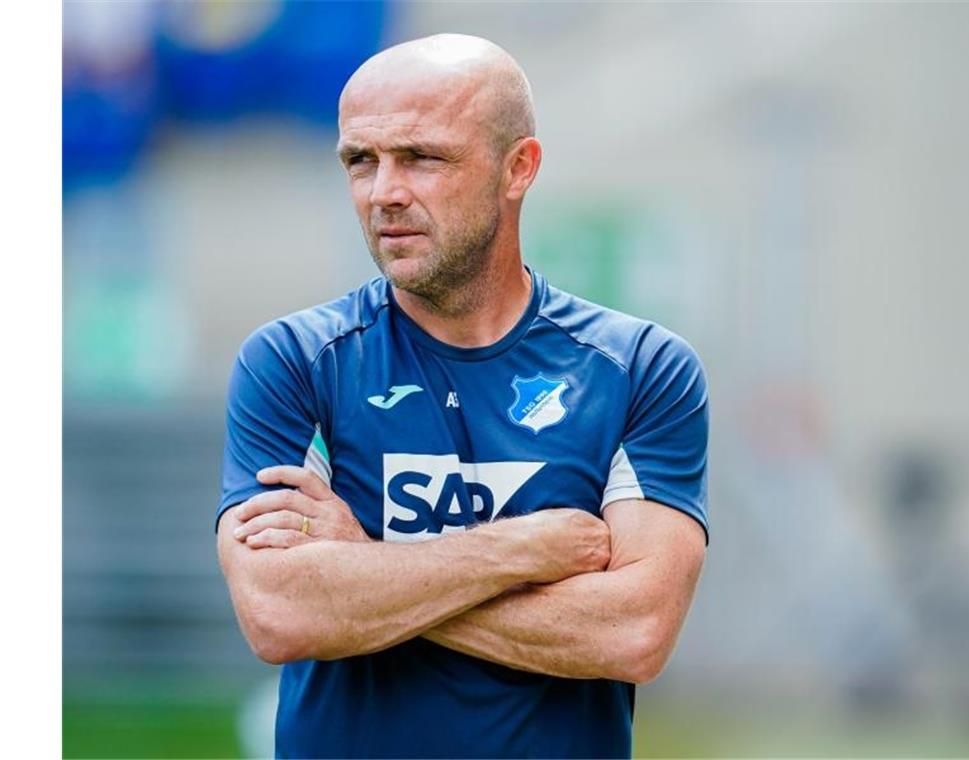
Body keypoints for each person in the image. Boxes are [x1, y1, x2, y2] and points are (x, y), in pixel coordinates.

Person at [215, 33, 709, 759]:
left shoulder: (640, 369)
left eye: (422, 157)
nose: (384, 191)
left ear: (518, 168)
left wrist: (364, 564)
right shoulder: (292, 363)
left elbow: (632, 632)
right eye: (361, 160)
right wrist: (524, 548)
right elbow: (280, 612)